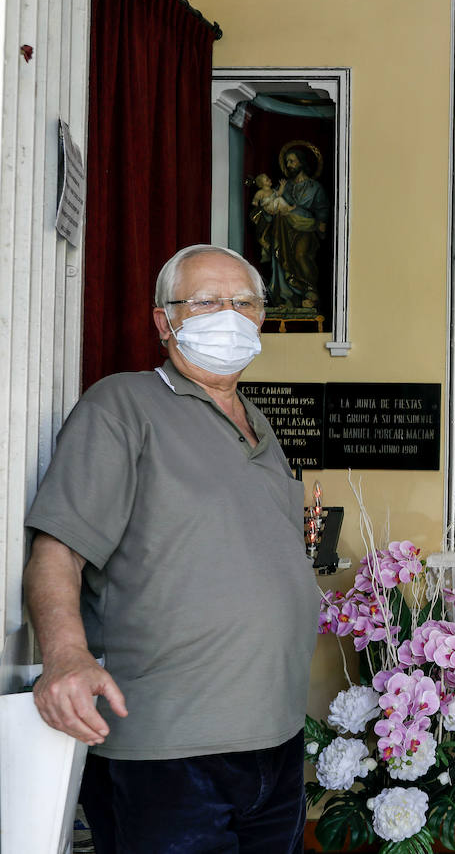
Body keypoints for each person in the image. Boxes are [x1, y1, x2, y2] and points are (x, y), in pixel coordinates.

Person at [23, 244, 318, 853]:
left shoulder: (259, 425)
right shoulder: (122, 406)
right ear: (164, 321)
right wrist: (65, 655)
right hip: (169, 753)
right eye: (206, 301)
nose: (228, 315)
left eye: (243, 302)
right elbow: (59, 550)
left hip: (278, 742)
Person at [252, 145, 328, 311]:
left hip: (305, 229)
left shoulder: (315, 187)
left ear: (301, 163)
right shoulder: (285, 186)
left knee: (301, 255)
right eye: (287, 162)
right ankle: (287, 298)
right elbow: (274, 205)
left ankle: (310, 292)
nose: (289, 165)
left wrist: (321, 223)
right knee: (281, 259)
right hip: (283, 230)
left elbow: (322, 209)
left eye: (292, 161)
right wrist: (266, 211)